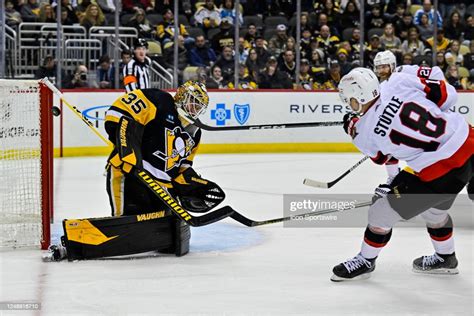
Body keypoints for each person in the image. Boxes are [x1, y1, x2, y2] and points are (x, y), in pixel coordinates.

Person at [45, 81, 225, 261]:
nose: (194, 108)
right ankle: (73, 246)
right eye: (193, 101)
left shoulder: (195, 132)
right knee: (125, 227)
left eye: (199, 106)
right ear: (181, 97)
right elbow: (117, 113)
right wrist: (128, 144)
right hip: (129, 175)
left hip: (161, 188)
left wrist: (190, 183)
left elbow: (183, 164)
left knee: (165, 236)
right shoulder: (158, 100)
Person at [333, 67, 473, 281]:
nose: (347, 104)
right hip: (468, 143)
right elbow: (446, 96)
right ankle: (446, 258)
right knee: (435, 212)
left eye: (348, 99)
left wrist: (352, 128)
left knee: (380, 213)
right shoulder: (398, 81)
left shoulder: (363, 131)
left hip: (439, 172)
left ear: (357, 97)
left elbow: (382, 158)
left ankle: (365, 260)